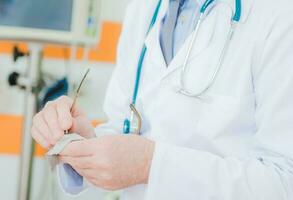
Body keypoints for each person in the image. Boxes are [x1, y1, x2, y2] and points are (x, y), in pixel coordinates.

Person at [31, 0, 293, 199]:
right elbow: (127, 124)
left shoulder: (279, 14)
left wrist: (150, 165)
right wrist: (84, 144)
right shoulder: (145, 7)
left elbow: (284, 182)